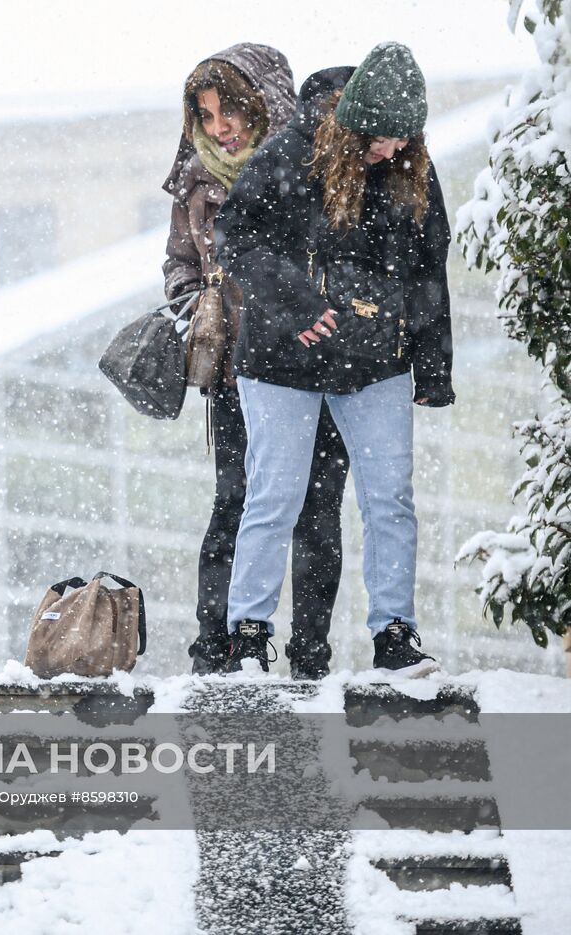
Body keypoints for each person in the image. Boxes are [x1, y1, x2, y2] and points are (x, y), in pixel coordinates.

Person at [215, 43, 453, 677]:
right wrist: (298, 305)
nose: (391, 152)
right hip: (281, 361)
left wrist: (432, 365)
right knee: (275, 496)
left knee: (390, 500)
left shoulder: (410, 167)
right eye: (380, 140)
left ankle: (395, 636)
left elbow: (430, 267)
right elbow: (234, 239)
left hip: (376, 364)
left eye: (405, 141)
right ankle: (247, 636)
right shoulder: (290, 153)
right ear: (354, 124)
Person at [162, 44, 349, 679]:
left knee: (316, 509)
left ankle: (310, 655)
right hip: (240, 373)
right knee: (236, 503)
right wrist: (196, 304)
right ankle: (217, 649)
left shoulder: (315, 167)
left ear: (265, 103)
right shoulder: (195, 180)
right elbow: (180, 263)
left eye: (232, 110)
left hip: (317, 365)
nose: (222, 128)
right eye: (208, 115)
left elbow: (343, 254)